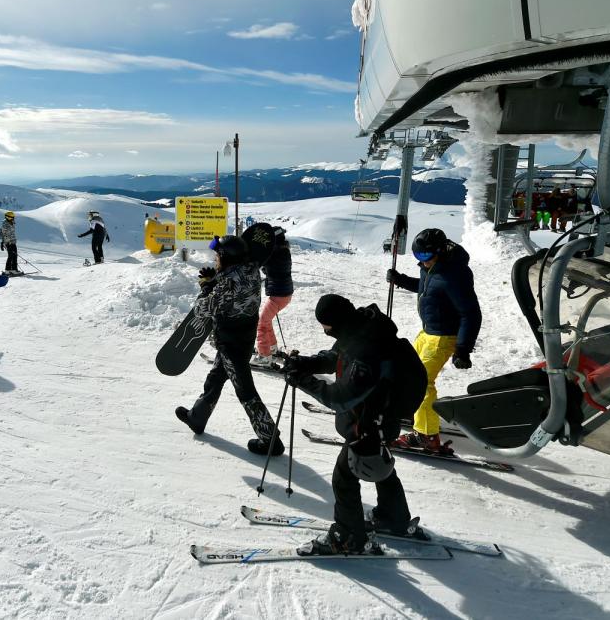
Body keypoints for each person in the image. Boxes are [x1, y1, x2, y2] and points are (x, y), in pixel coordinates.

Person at [282, 294, 428, 555]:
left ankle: (348, 537)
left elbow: (340, 398)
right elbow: (337, 357)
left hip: (370, 424)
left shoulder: (366, 352)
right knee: (379, 465)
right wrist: (305, 363)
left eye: (325, 325)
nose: (325, 331)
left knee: (344, 477)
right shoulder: (363, 327)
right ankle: (393, 520)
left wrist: (304, 381)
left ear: (335, 322)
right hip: (381, 418)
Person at [175, 235, 281, 456]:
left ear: (226, 257)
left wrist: (206, 287)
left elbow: (203, 309)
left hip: (232, 343)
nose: (215, 259)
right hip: (242, 337)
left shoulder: (228, 284)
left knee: (245, 391)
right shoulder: (250, 270)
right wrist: (215, 280)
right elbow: (234, 290)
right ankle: (197, 418)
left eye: (217, 255)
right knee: (214, 379)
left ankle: (270, 440)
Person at [386, 228, 482, 454]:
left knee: (422, 383)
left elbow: (471, 313)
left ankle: (426, 437)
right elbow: (428, 287)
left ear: (439, 252)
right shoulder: (432, 267)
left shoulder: (454, 274)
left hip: (443, 338)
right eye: (417, 257)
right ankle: (417, 411)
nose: (422, 262)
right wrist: (400, 280)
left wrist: (463, 350)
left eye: (425, 257)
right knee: (405, 371)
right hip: (428, 333)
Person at [252, 226, 292, 367]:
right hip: (283, 294)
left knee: (262, 323)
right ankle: (272, 350)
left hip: (279, 295)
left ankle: (264, 356)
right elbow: (269, 268)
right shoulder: (283, 251)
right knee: (266, 321)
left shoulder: (275, 253)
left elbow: (264, 265)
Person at [0, 211, 21, 275]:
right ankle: (9, 270)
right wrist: (5, 242)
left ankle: (12, 270)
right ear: (8, 217)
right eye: (11, 218)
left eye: (13, 217)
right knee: (11, 256)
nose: (13, 219)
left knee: (14, 256)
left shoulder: (11, 223)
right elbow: (5, 234)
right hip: (9, 243)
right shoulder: (5, 224)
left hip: (12, 242)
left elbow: (0, 231)